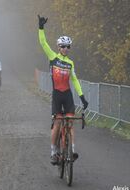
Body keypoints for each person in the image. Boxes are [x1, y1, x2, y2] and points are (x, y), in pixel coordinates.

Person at [37, 15, 88, 165]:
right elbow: (43, 43)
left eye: (68, 46)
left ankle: (72, 150)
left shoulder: (70, 63)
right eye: (63, 46)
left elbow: (75, 81)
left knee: (70, 122)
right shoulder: (53, 57)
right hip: (57, 95)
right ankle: (53, 152)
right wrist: (41, 28)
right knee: (58, 122)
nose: (66, 49)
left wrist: (82, 97)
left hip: (68, 95)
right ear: (59, 47)